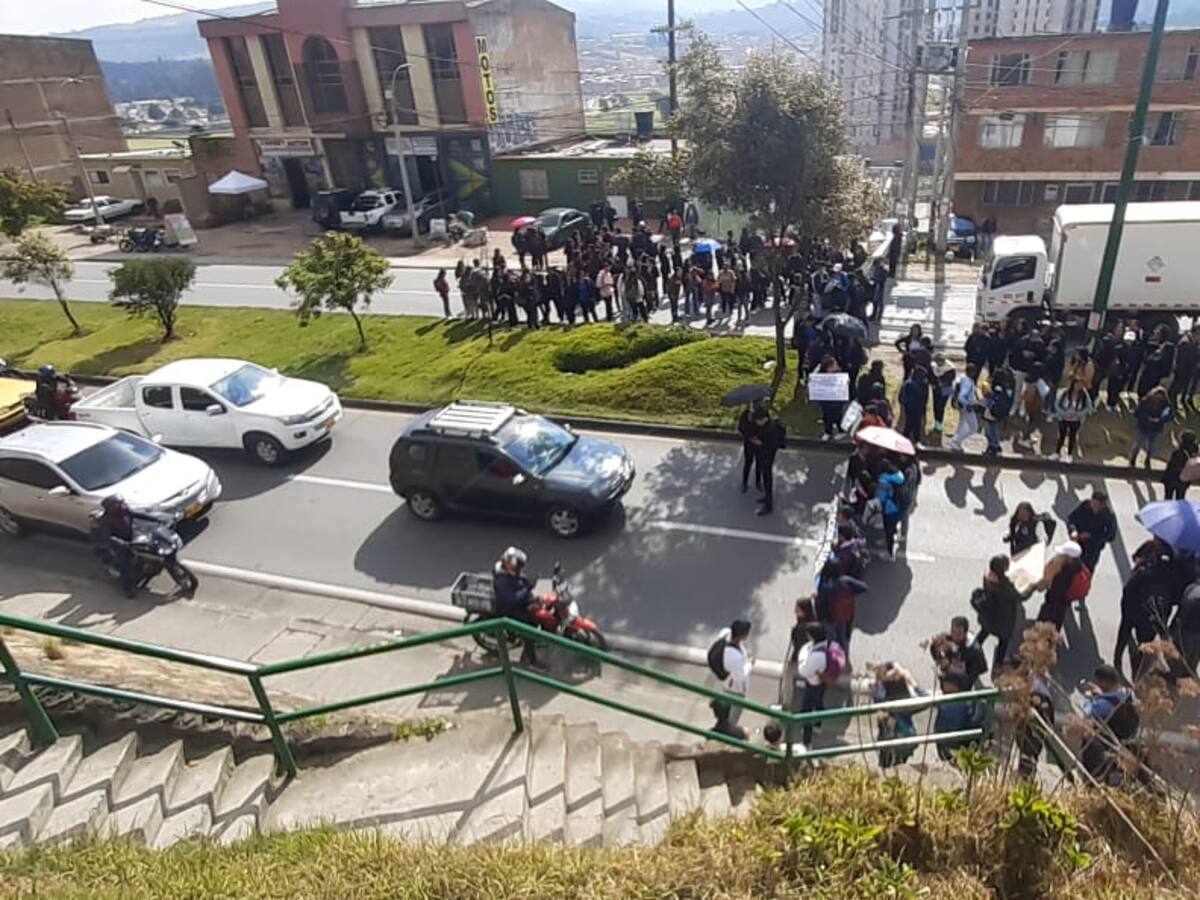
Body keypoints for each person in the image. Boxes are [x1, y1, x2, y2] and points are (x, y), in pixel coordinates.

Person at [1080, 664, 1139, 783]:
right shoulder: (1128, 703)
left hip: (1101, 763)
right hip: (1122, 758)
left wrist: (1095, 699)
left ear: (1103, 682)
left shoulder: (1103, 705)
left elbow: (1087, 712)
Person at [973, 556, 1030, 676]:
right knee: (1003, 642)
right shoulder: (1005, 586)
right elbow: (1021, 596)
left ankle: (971, 653)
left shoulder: (989, 577)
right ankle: (998, 664)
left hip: (989, 617)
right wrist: (1032, 586)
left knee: (983, 633)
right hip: (1003, 619)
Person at [492, 546, 544, 668]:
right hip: (510, 609)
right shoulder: (502, 580)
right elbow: (512, 600)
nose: (520, 569)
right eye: (518, 567)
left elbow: (521, 581)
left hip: (519, 602)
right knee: (529, 631)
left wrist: (529, 584)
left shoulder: (511, 573)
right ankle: (532, 662)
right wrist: (527, 589)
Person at [793, 622, 839, 750]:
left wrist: (803, 653)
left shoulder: (816, 655)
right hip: (823, 681)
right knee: (819, 701)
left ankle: (807, 742)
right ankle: (818, 724)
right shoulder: (827, 645)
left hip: (813, 684)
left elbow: (803, 671)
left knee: (806, 711)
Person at [873, 662, 924, 767]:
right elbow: (926, 697)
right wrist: (912, 682)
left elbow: (877, 695)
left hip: (889, 743)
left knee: (887, 764)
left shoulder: (885, 702)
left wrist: (879, 679)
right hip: (908, 739)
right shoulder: (908, 704)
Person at [814, 559, 867, 658]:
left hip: (830, 615)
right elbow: (864, 587)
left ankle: (831, 653)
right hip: (846, 612)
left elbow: (821, 602)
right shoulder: (846, 581)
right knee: (841, 633)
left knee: (830, 634)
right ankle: (842, 651)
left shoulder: (824, 584)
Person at [707, 619, 753, 729]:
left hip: (727, 684)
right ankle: (728, 731)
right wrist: (750, 664)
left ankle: (722, 724)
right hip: (735, 689)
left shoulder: (726, 635)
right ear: (743, 635)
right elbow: (741, 676)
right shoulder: (734, 657)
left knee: (724, 711)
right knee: (733, 716)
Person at [1034, 541, 1086, 631]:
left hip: (1052, 607)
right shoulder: (1078, 566)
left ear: (1069, 558)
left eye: (1063, 554)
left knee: (1044, 630)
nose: (1060, 555)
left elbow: (1055, 593)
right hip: (1062, 606)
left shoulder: (1064, 573)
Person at [931, 616, 988, 689]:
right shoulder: (947, 639)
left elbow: (968, 680)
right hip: (949, 679)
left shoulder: (974, 651)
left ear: (965, 633)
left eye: (959, 634)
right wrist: (937, 648)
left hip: (964, 685)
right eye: (953, 632)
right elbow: (935, 653)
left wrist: (948, 667)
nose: (955, 637)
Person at [1067, 491, 1116, 575]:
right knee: (1069, 569)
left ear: (1103, 505)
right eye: (1093, 503)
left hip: (1092, 550)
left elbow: (1111, 536)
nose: (1093, 506)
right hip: (1078, 543)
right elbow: (1071, 519)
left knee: (1085, 573)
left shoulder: (1109, 515)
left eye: (1097, 505)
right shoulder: (1085, 506)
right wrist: (1073, 531)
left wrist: (1091, 536)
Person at [752, 406, 786, 515]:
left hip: (767, 456)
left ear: (764, 418)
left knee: (767, 479)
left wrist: (759, 443)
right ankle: (766, 498)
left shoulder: (771, 429)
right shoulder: (769, 426)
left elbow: (771, 445)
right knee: (765, 477)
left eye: (758, 421)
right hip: (766, 455)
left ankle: (768, 505)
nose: (757, 423)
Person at [1130, 386, 1173, 468]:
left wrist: (1161, 419)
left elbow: (1170, 416)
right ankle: (1133, 459)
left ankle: (1148, 460)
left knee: (1152, 447)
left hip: (1156, 429)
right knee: (1138, 444)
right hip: (1143, 427)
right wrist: (1147, 418)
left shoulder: (1166, 405)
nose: (1158, 398)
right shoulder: (1145, 402)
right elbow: (1137, 413)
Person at [1053, 379, 1092, 461]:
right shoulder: (1065, 393)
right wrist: (1063, 413)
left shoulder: (1084, 395)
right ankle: (1057, 453)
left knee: (1072, 437)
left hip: (1075, 420)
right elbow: (1056, 404)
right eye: (1077, 384)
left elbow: (1089, 408)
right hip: (1064, 418)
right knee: (1061, 436)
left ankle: (1069, 454)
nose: (1078, 386)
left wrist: (1078, 414)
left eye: (1080, 385)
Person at [948, 363, 981, 451]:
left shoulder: (961, 378)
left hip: (961, 407)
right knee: (974, 428)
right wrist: (969, 404)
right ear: (973, 372)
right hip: (967, 408)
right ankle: (955, 440)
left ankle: (957, 443)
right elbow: (961, 397)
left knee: (962, 424)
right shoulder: (968, 382)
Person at [983, 367, 1015, 458]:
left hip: (993, 411)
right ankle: (994, 446)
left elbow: (990, 397)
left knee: (990, 430)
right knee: (995, 429)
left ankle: (993, 446)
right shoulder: (1010, 387)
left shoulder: (997, 388)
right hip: (1002, 412)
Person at [898, 365, 929, 447]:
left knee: (910, 424)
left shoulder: (908, 383)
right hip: (915, 407)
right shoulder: (921, 384)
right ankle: (915, 440)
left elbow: (901, 397)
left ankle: (908, 439)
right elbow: (925, 398)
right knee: (914, 425)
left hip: (911, 407)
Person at [737, 403, 764, 494]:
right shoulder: (745, 415)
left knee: (759, 463)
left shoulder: (762, 413)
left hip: (759, 443)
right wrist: (749, 437)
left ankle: (758, 482)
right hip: (749, 443)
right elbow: (741, 428)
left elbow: (766, 425)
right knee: (748, 463)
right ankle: (745, 483)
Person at [1163, 430, 1198, 501]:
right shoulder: (1195, 452)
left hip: (1171, 479)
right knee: (1180, 500)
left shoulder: (1177, 451)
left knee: (1168, 499)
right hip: (1183, 481)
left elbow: (1171, 466)